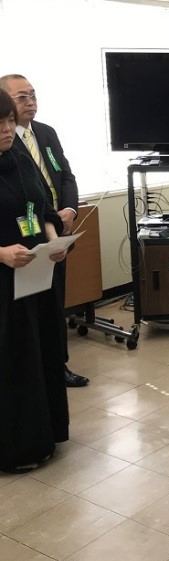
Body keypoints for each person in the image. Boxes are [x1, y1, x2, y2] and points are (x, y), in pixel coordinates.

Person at [0, 74, 89, 388]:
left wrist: (67, 212)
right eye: (21, 97)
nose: (30, 102)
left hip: (46, 236)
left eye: (33, 95)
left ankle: (55, 366)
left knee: (51, 310)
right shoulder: (11, 146)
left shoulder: (45, 133)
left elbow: (64, 175)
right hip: (13, 249)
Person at [0, 88, 70, 472]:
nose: (7, 129)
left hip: (34, 272)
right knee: (13, 360)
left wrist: (53, 239)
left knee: (42, 350)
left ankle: (46, 435)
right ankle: (15, 450)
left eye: (10, 121)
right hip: (4, 278)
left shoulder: (19, 156)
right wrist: (1, 253)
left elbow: (42, 206)